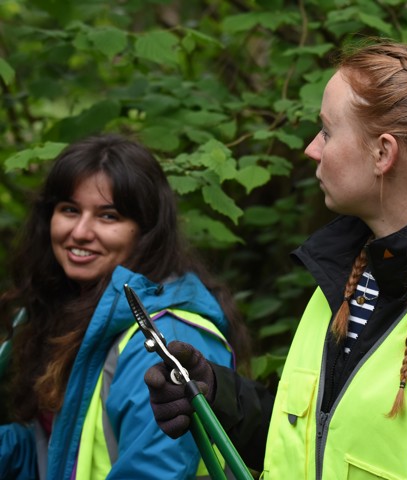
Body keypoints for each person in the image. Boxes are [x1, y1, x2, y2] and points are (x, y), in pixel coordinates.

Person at [144, 40, 407, 479]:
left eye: (326, 131)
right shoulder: (347, 275)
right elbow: (317, 445)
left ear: (383, 153)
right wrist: (214, 394)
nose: (311, 149)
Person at [0, 133, 250, 479]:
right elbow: (62, 452)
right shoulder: (73, 311)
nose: (81, 232)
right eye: (70, 210)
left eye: (108, 216)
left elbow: (155, 472)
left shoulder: (163, 339)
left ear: (145, 231)